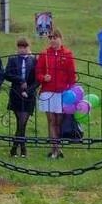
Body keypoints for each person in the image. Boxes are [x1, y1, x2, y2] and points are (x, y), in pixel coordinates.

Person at [35, 30, 78, 158]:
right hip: (47, 92)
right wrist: (43, 78)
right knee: (51, 120)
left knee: (59, 121)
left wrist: (71, 89)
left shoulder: (67, 54)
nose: (53, 40)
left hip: (62, 92)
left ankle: (57, 146)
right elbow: (38, 73)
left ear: (61, 38)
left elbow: (72, 74)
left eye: (55, 38)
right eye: (51, 38)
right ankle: (54, 149)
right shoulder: (44, 54)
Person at [2, 38, 37, 156]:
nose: (22, 49)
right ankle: (21, 148)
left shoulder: (33, 60)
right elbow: (7, 74)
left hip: (29, 95)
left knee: (23, 121)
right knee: (20, 121)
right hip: (16, 93)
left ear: (28, 47)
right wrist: (20, 80)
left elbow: (37, 80)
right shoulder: (12, 59)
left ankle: (16, 147)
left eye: (24, 47)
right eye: (20, 47)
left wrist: (28, 90)